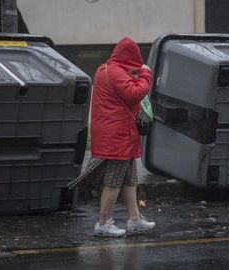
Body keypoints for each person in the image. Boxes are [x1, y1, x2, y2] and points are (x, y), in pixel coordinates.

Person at [71, 37, 155, 237]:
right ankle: (103, 223)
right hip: (117, 135)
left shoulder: (105, 69)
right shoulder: (117, 72)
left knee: (129, 179)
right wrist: (146, 74)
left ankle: (134, 219)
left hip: (119, 132)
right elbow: (134, 93)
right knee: (114, 181)